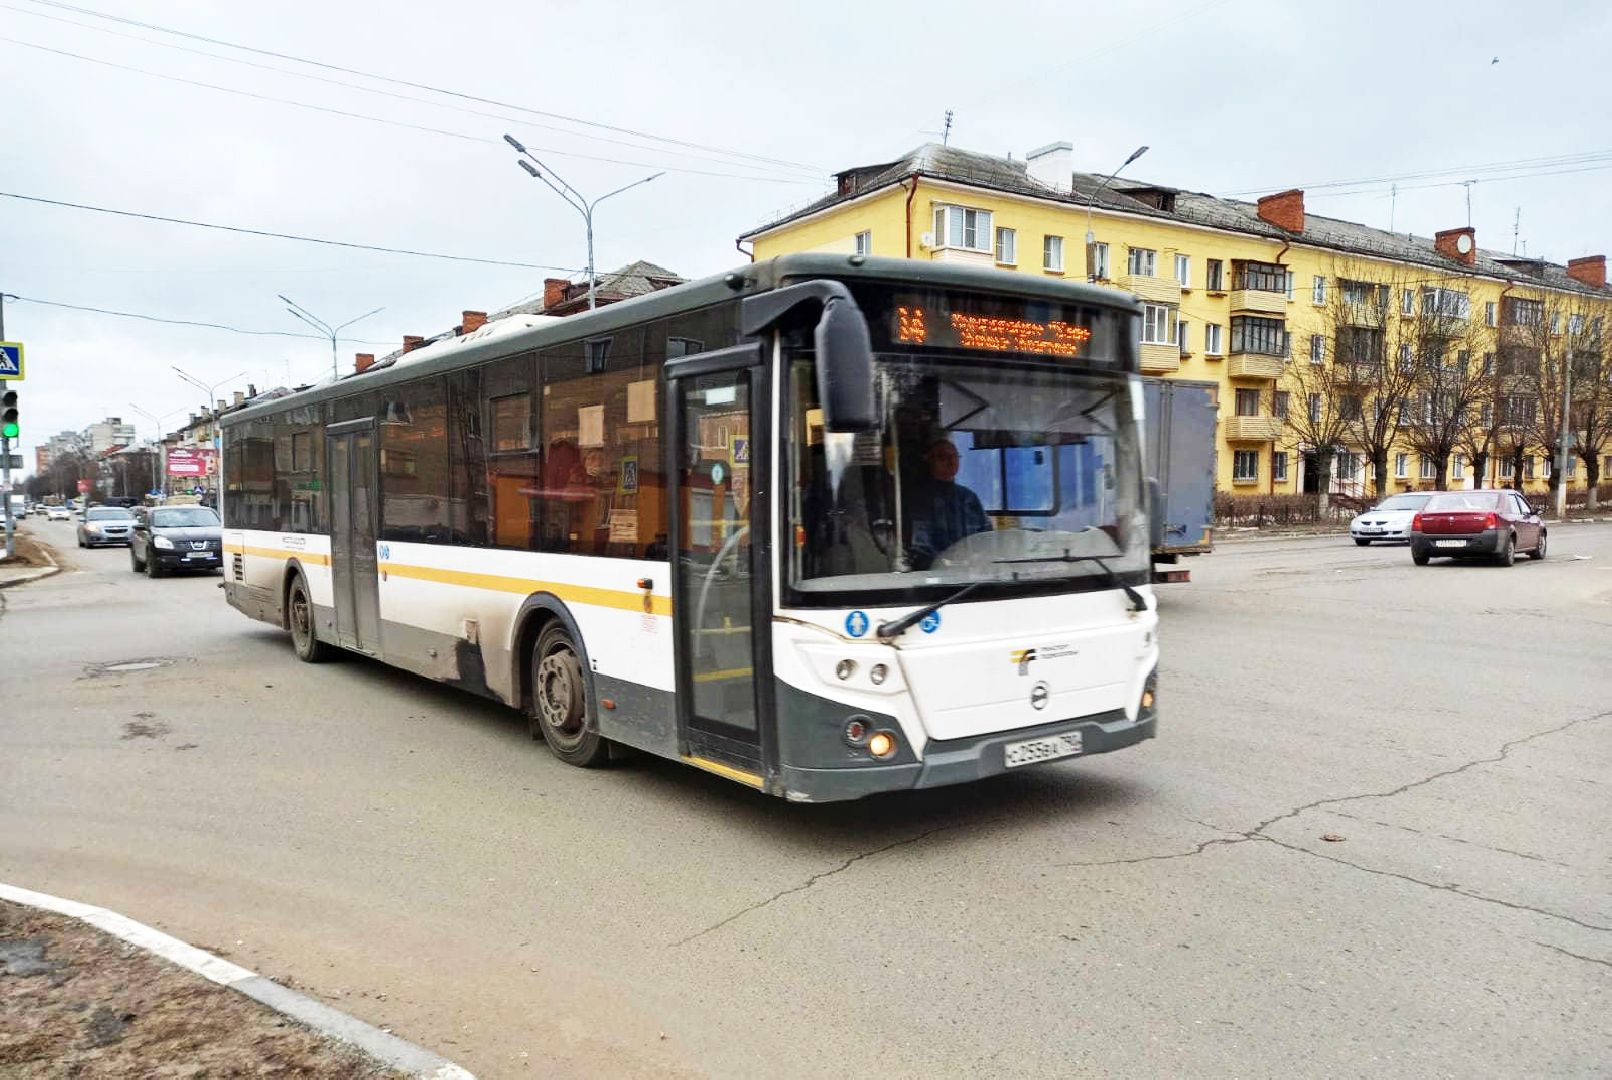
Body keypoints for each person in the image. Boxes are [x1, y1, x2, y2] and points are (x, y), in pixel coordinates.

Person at [907, 436, 989, 569]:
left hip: (972, 577)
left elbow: (986, 536)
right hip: (937, 577)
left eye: (955, 456)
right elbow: (921, 546)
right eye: (943, 457)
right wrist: (948, 563)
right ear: (929, 460)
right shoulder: (921, 499)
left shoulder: (969, 497)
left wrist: (979, 558)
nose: (951, 461)